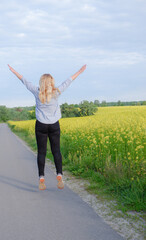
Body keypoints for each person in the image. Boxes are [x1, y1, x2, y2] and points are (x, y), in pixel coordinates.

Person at [8, 64, 87, 190]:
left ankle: (41, 177)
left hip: (41, 125)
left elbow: (24, 81)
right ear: (51, 83)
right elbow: (69, 81)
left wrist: (13, 71)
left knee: (41, 152)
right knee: (56, 151)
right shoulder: (56, 92)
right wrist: (79, 71)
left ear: (41, 82)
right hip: (54, 125)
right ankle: (59, 174)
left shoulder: (36, 91)